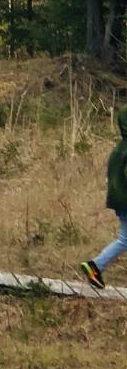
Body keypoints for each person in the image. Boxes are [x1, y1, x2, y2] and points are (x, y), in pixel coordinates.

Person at [80, 104, 127, 289]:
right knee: (125, 239)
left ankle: (96, 266)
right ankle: (96, 265)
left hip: (120, 201)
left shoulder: (119, 149)